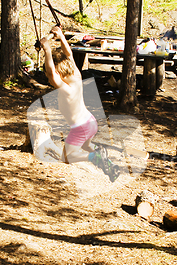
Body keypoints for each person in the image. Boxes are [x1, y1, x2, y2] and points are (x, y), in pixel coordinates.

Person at [40, 26, 119, 181]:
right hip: (90, 122)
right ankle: (110, 167)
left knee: (68, 158)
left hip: (80, 127)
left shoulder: (66, 88)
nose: (50, 80)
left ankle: (94, 157)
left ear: (58, 72)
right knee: (86, 147)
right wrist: (61, 37)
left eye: (52, 77)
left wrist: (47, 50)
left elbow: (51, 73)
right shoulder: (76, 73)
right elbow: (68, 54)